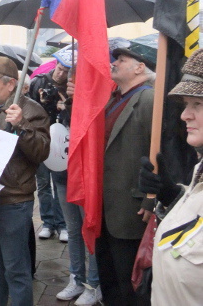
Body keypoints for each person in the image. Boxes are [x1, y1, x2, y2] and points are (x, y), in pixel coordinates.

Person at [0, 57, 50, 305]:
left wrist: (21, 126)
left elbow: (41, 152)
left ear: (11, 85)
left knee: (16, 269)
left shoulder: (30, 111)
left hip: (13, 201)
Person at [139, 48, 203, 305]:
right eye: (186, 105)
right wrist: (172, 196)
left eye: (197, 104)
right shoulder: (200, 168)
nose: (184, 115)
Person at [96, 47, 156, 306]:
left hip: (131, 209)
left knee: (129, 283)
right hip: (105, 206)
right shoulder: (112, 98)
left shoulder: (150, 99)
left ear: (140, 67)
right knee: (108, 278)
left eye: (122, 60)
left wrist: (150, 199)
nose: (115, 63)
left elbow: (160, 152)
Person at [56, 72, 102, 305]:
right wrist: (69, 103)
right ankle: (76, 278)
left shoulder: (99, 102)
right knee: (74, 230)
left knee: (90, 229)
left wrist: (80, 99)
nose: (72, 81)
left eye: (77, 77)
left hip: (86, 176)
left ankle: (94, 284)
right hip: (64, 175)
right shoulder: (65, 102)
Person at [29, 51, 70, 242]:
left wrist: (66, 106)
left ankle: (62, 224)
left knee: (59, 182)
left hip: (61, 139)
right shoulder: (39, 81)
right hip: (42, 137)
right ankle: (47, 222)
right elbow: (29, 108)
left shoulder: (70, 88)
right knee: (43, 183)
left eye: (66, 71)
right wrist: (42, 103)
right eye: (60, 69)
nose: (61, 74)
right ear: (56, 65)